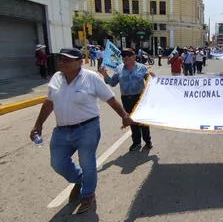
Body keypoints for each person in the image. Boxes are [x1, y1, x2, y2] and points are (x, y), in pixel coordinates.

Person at [30, 48, 133, 214]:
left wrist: (124, 115)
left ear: (80, 62)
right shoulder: (56, 78)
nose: (62, 62)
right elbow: (49, 102)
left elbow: (110, 98)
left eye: (67, 59)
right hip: (62, 130)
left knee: (87, 163)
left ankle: (88, 194)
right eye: (61, 58)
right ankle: (80, 180)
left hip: (88, 128)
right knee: (58, 163)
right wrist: (38, 125)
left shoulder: (91, 78)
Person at [99, 48, 154, 152]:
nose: (126, 58)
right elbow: (112, 83)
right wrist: (104, 74)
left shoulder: (142, 68)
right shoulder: (119, 69)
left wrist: (153, 79)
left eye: (129, 55)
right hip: (126, 99)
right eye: (123, 56)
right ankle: (136, 142)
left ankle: (148, 141)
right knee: (131, 121)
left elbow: (149, 81)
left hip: (140, 98)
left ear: (134, 57)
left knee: (143, 121)